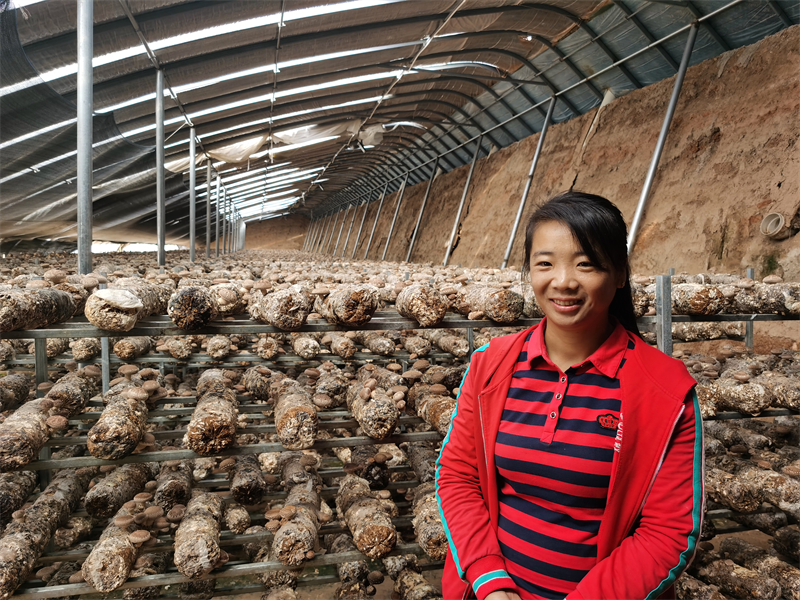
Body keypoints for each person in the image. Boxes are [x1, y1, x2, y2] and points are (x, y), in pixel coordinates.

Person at [435, 191, 703, 600]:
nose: (563, 281)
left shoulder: (665, 390)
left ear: (619, 274)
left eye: (586, 264)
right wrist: (490, 582)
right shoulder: (490, 365)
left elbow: (668, 532)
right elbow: (458, 478)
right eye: (545, 263)